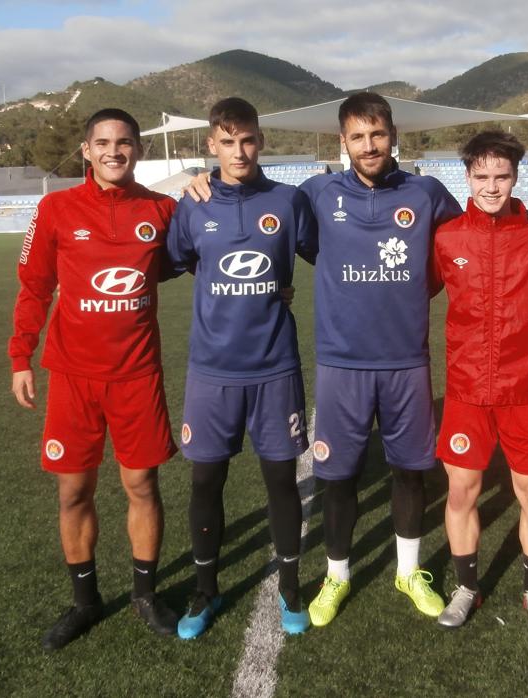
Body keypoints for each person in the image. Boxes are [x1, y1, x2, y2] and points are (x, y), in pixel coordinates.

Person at [185, 93, 528, 628]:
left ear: (392, 135)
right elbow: (258, 203)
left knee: (410, 473)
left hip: (407, 362)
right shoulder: (313, 194)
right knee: (338, 477)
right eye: (358, 137)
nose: (369, 145)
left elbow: (482, 224)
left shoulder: (427, 193)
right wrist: (201, 180)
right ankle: (338, 574)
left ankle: (408, 571)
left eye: (377, 134)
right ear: (343, 142)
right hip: (342, 364)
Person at [9, 108, 179, 650]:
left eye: (124, 142)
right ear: (86, 150)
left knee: (141, 485)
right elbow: (34, 287)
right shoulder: (55, 208)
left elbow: (210, 255)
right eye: (102, 142)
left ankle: (145, 595)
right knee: (73, 491)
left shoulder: (163, 210)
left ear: (139, 150)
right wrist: (20, 357)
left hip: (137, 375)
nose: (114, 151)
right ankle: (85, 603)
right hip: (73, 378)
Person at [166, 97, 316, 639]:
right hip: (212, 372)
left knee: (281, 479)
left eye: (248, 140)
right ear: (212, 145)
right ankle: (206, 590)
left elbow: (328, 250)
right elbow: (180, 261)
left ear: (261, 140)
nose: (239, 151)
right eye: (227, 142)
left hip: (275, 369)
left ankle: (292, 588)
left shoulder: (288, 201)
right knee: (206, 481)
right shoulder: (193, 205)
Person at [430, 131, 528, 633]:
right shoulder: (447, 238)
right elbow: (410, 290)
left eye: (502, 176)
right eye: (482, 176)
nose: (492, 186)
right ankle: (467, 585)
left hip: (526, 390)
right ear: (467, 176)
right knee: (461, 491)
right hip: (467, 390)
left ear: (516, 177)